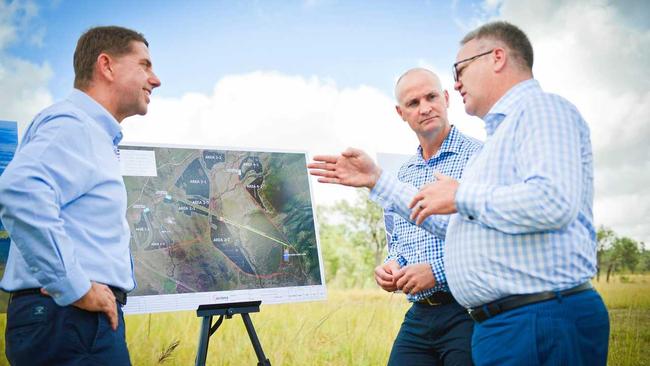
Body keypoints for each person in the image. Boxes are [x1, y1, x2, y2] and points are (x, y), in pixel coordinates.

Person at [329, 21, 608, 365]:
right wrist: (377, 180)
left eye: (459, 70)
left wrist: (461, 198)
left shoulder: (542, 110)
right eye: (413, 102)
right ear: (401, 113)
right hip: (502, 322)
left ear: (497, 58)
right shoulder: (498, 143)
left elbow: (552, 202)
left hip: (538, 316)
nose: (457, 82)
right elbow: (463, 227)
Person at [0, 26, 161, 365]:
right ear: (107, 66)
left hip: (71, 323)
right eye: (144, 65)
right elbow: (21, 191)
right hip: (71, 321)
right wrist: (75, 287)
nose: (155, 79)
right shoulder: (74, 124)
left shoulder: (89, 133)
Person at [310, 68, 481, 365]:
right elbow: (401, 242)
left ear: (445, 98)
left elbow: (486, 240)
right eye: (413, 103)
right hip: (420, 315)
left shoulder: (479, 157)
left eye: (430, 97)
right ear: (401, 113)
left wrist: (437, 272)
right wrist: (393, 265)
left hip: (467, 312)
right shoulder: (403, 174)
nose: (424, 107)